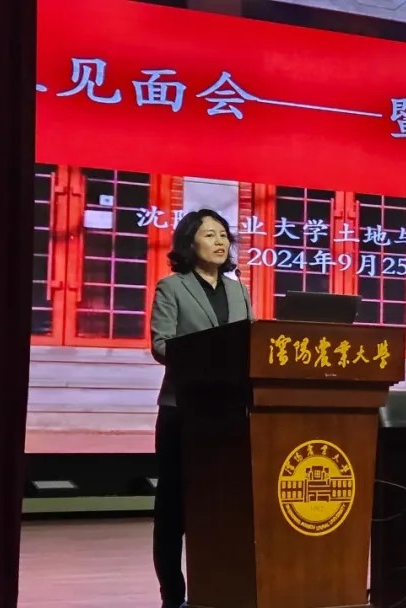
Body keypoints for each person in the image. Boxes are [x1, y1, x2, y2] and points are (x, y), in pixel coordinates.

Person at [149, 209, 254, 608]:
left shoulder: (239, 291)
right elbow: (162, 344)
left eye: (223, 235)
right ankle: (173, 596)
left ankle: (219, 589)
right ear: (189, 242)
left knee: (222, 506)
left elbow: (253, 345)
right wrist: (208, 354)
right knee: (173, 510)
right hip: (183, 411)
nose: (220, 241)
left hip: (228, 415)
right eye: (210, 235)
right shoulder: (172, 287)